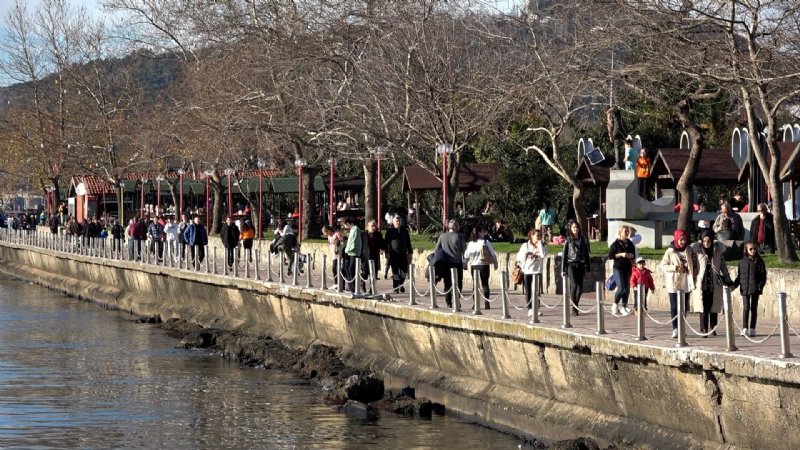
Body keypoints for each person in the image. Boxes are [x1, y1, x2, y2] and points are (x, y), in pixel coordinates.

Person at [691, 230, 730, 337]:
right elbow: (693, 266)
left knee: (714, 306)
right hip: (701, 283)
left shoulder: (717, 252)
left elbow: (723, 266)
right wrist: (692, 280)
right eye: (704, 241)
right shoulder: (698, 252)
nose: (706, 243)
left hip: (714, 283)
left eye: (709, 241)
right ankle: (704, 329)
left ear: (712, 241)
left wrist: (728, 279)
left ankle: (713, 327)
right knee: (703, 307)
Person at [660, 229, 696, 338]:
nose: (683, 242)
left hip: (686, 281)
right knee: (675, 306)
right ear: (676, 239)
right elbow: (663, 265)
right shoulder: (670, 251)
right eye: (681, 240)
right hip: (674, 281)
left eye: (684, 239)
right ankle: (675, 328)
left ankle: (682, 327)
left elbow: (693, 261)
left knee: (684, 306)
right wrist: (674, 268)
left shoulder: (689, 249)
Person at [732, 241, 767, 337]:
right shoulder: (742, 262)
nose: (753, 251)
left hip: (755, 288)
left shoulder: (759, 261)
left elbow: (763, 276)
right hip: (745, 288)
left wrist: (759, 286)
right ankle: (745, 327)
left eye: (754, 249)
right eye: (750, 249)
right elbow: (740, 276)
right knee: (746, 307)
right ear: (746, 250)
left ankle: (752, 328)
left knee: (753, 308)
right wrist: (734, 286)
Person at [433, 219, 466, 308]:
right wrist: (465, 262)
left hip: (446, 264)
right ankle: (456, 300)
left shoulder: (442, 236)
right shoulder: (460, 237)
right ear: (455, 227)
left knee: (447, 283)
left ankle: (448, 302)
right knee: (458, 283)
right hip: (457, 263)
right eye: (458, 226)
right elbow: (464, 251)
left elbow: (436, 250)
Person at [464, 225, 498, 309]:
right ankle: (487, 302)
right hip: (484, 265)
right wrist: (495, 263)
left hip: (474, 266)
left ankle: (475, 303)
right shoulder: (485, 242)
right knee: (485, 284)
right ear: (479, 233)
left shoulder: (471, 243)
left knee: (475, 285)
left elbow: (466, 256)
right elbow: (493, 254)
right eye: (483, 231)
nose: (484, 233)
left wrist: (465, 264)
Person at [561, 221, 591, 316]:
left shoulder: (583, 240)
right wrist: (563, 269)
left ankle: (575, 304)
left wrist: (588, 268)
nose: (576, 229)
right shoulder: (568, 240)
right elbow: (564, 256)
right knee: (574, 285)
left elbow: (586, 255)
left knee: (580, 287)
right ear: (570, 229)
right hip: (571, 264)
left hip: (580, 264)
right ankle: (574, 307)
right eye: (574, 227)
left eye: (577, 227)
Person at [516, 229, 547, 317]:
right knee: (528, 291)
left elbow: (543, 255)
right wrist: (525, 255)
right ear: (531, 236)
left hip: (537, 271)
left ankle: (536, 309)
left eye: (540, 235)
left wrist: (540, 244)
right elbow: (519, 257)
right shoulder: (525, 246)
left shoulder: (542, 246)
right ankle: (530, 309)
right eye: (537, 235)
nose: (539, 237)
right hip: (527, 271)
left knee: (537, 291)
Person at [608, 225, 636, 316]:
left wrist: (631, 256)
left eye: (628, 231)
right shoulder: (615, 244)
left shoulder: (630, 243)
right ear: (620, 232)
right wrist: (621, 254)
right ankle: (615, 304)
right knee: (621, 287)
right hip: (618, 268)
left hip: (627, 268)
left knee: (627, 288)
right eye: (625, 231)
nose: (627, 233)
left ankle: (624, 306)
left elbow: (633, 254)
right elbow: (611, 256)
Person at [384, 215, 413, 293]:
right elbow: (386, 243)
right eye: (396, 221)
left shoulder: (404, 231)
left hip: (403, 254)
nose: (398, 222)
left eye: (399, 221)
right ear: (393, 222)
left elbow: (408, 242)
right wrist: (386, 252)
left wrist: (410, 252)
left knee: (404, 270)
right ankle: (396, 287)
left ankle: (401, 283)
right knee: (395, 271)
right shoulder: (390, 231)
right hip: (393, 254)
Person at [342, 217, 362, 292]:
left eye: (345, 225)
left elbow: (354, 241)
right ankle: (351, 286)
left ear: (347, 223)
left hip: (354, 252)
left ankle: (353, 287)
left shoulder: (355, 229)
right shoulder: (352, 230)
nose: (345, 227)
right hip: (349, 252)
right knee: (348, 268)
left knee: (351, 269)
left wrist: (348, 249)